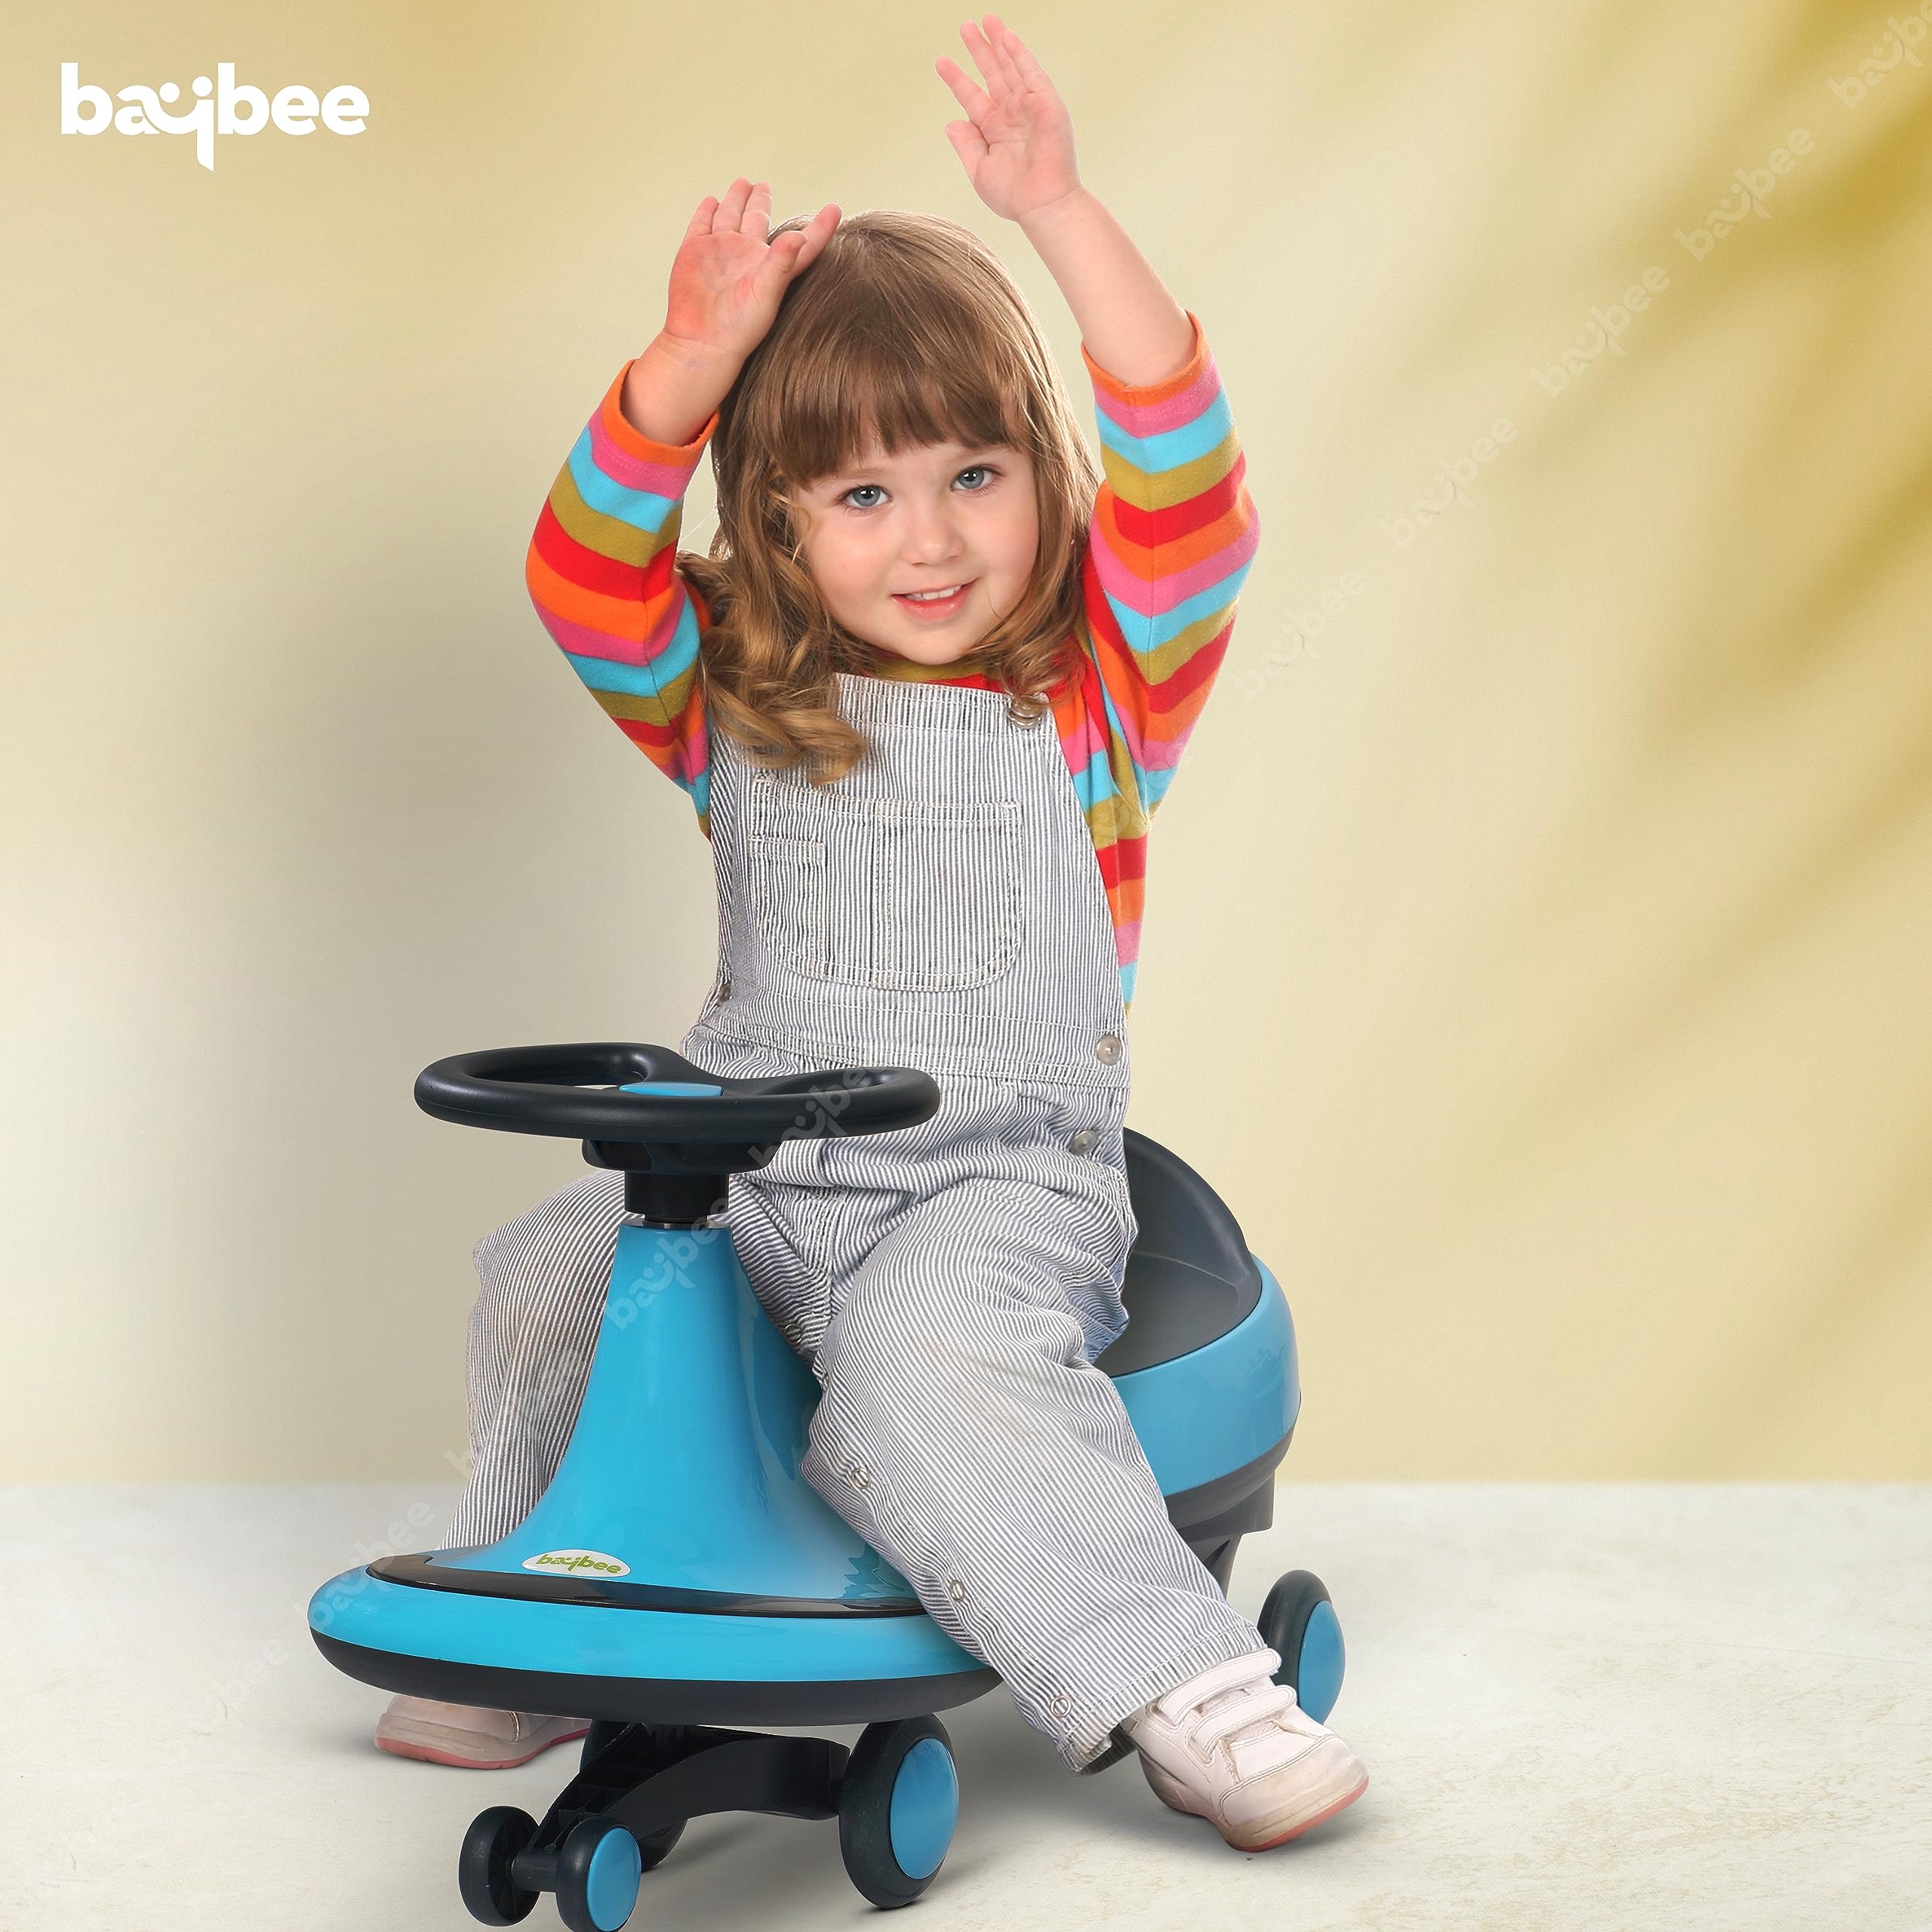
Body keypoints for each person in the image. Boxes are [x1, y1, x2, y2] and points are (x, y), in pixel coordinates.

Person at [375, 14, 1367, 1854]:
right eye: (860, 494)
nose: (929, 539)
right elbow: (581, 574)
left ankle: (1175, 1667)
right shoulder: (730, 690)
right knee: (553, 1269)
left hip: (989, 1184)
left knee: (924, 1358)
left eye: (973, 474)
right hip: (747, 1177)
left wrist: (1058, 212)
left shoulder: (1102, 686)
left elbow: (1186, 477)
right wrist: (691, 358)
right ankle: (532, 1606)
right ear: (778, 522)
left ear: (1040, 477)